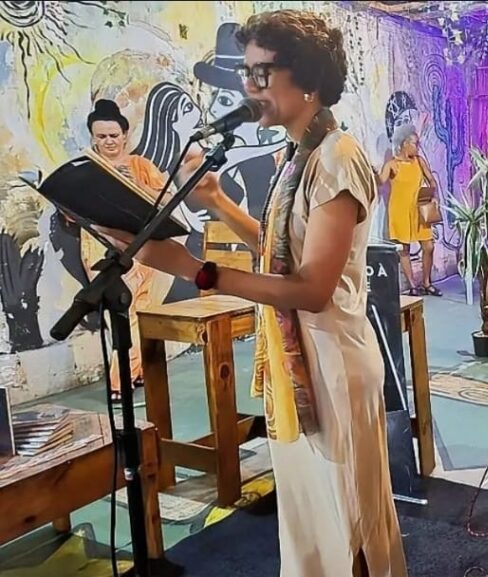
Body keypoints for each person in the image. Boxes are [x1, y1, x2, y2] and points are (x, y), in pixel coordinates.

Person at [98, 10, 407, 577]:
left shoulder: (337, 157)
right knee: (311, 529)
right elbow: (279, 247)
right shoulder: (299, 155)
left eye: (261, 73)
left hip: (333, 368)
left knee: (349, 525)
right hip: (301, 365)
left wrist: (197, 270)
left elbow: (311, 289)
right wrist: (217, 202)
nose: (248, 86)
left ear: (307, 79)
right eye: (246, 72)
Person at [84, 98, 175, 402]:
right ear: (93, 138)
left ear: (124, 135)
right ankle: (124, 377)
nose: (109, 141)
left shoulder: (141, 165)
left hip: (141, 245)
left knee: (141, 310)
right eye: (101, 136)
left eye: (114, 135)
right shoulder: (87, 167)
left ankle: (126, 376)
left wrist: (133, 185)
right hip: (100, 247)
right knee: (121, 313)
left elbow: (166, 200)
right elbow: (71, 210)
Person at [378, 122, 441, 296]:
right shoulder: (392, 164)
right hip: (399, 212)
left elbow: (431, 179)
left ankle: (427, 283)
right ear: (405, 143)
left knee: (428, 246)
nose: (418, 147)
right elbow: (380, 181)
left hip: (419, 211)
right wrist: (371, 172)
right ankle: (413, 286)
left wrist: (434, 195)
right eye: (415, 143)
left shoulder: (419, 161)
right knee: (404, 250)